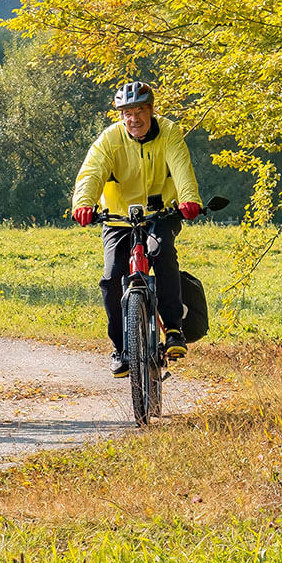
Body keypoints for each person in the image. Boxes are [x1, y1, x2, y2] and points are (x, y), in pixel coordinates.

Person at [70, 81, 204, 377]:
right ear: (120, 115)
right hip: (118, 218)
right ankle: (120, 347)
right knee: (111, 276)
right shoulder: (110, 140)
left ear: (151, 110)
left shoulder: (169, 132)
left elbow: (182, 168)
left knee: (163, 252)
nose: (134, 119)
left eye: (140, 111)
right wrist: (83, 203)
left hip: (162, 213)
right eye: (126, 113)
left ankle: (173, 330)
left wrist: (189, 199)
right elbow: (91, 173)